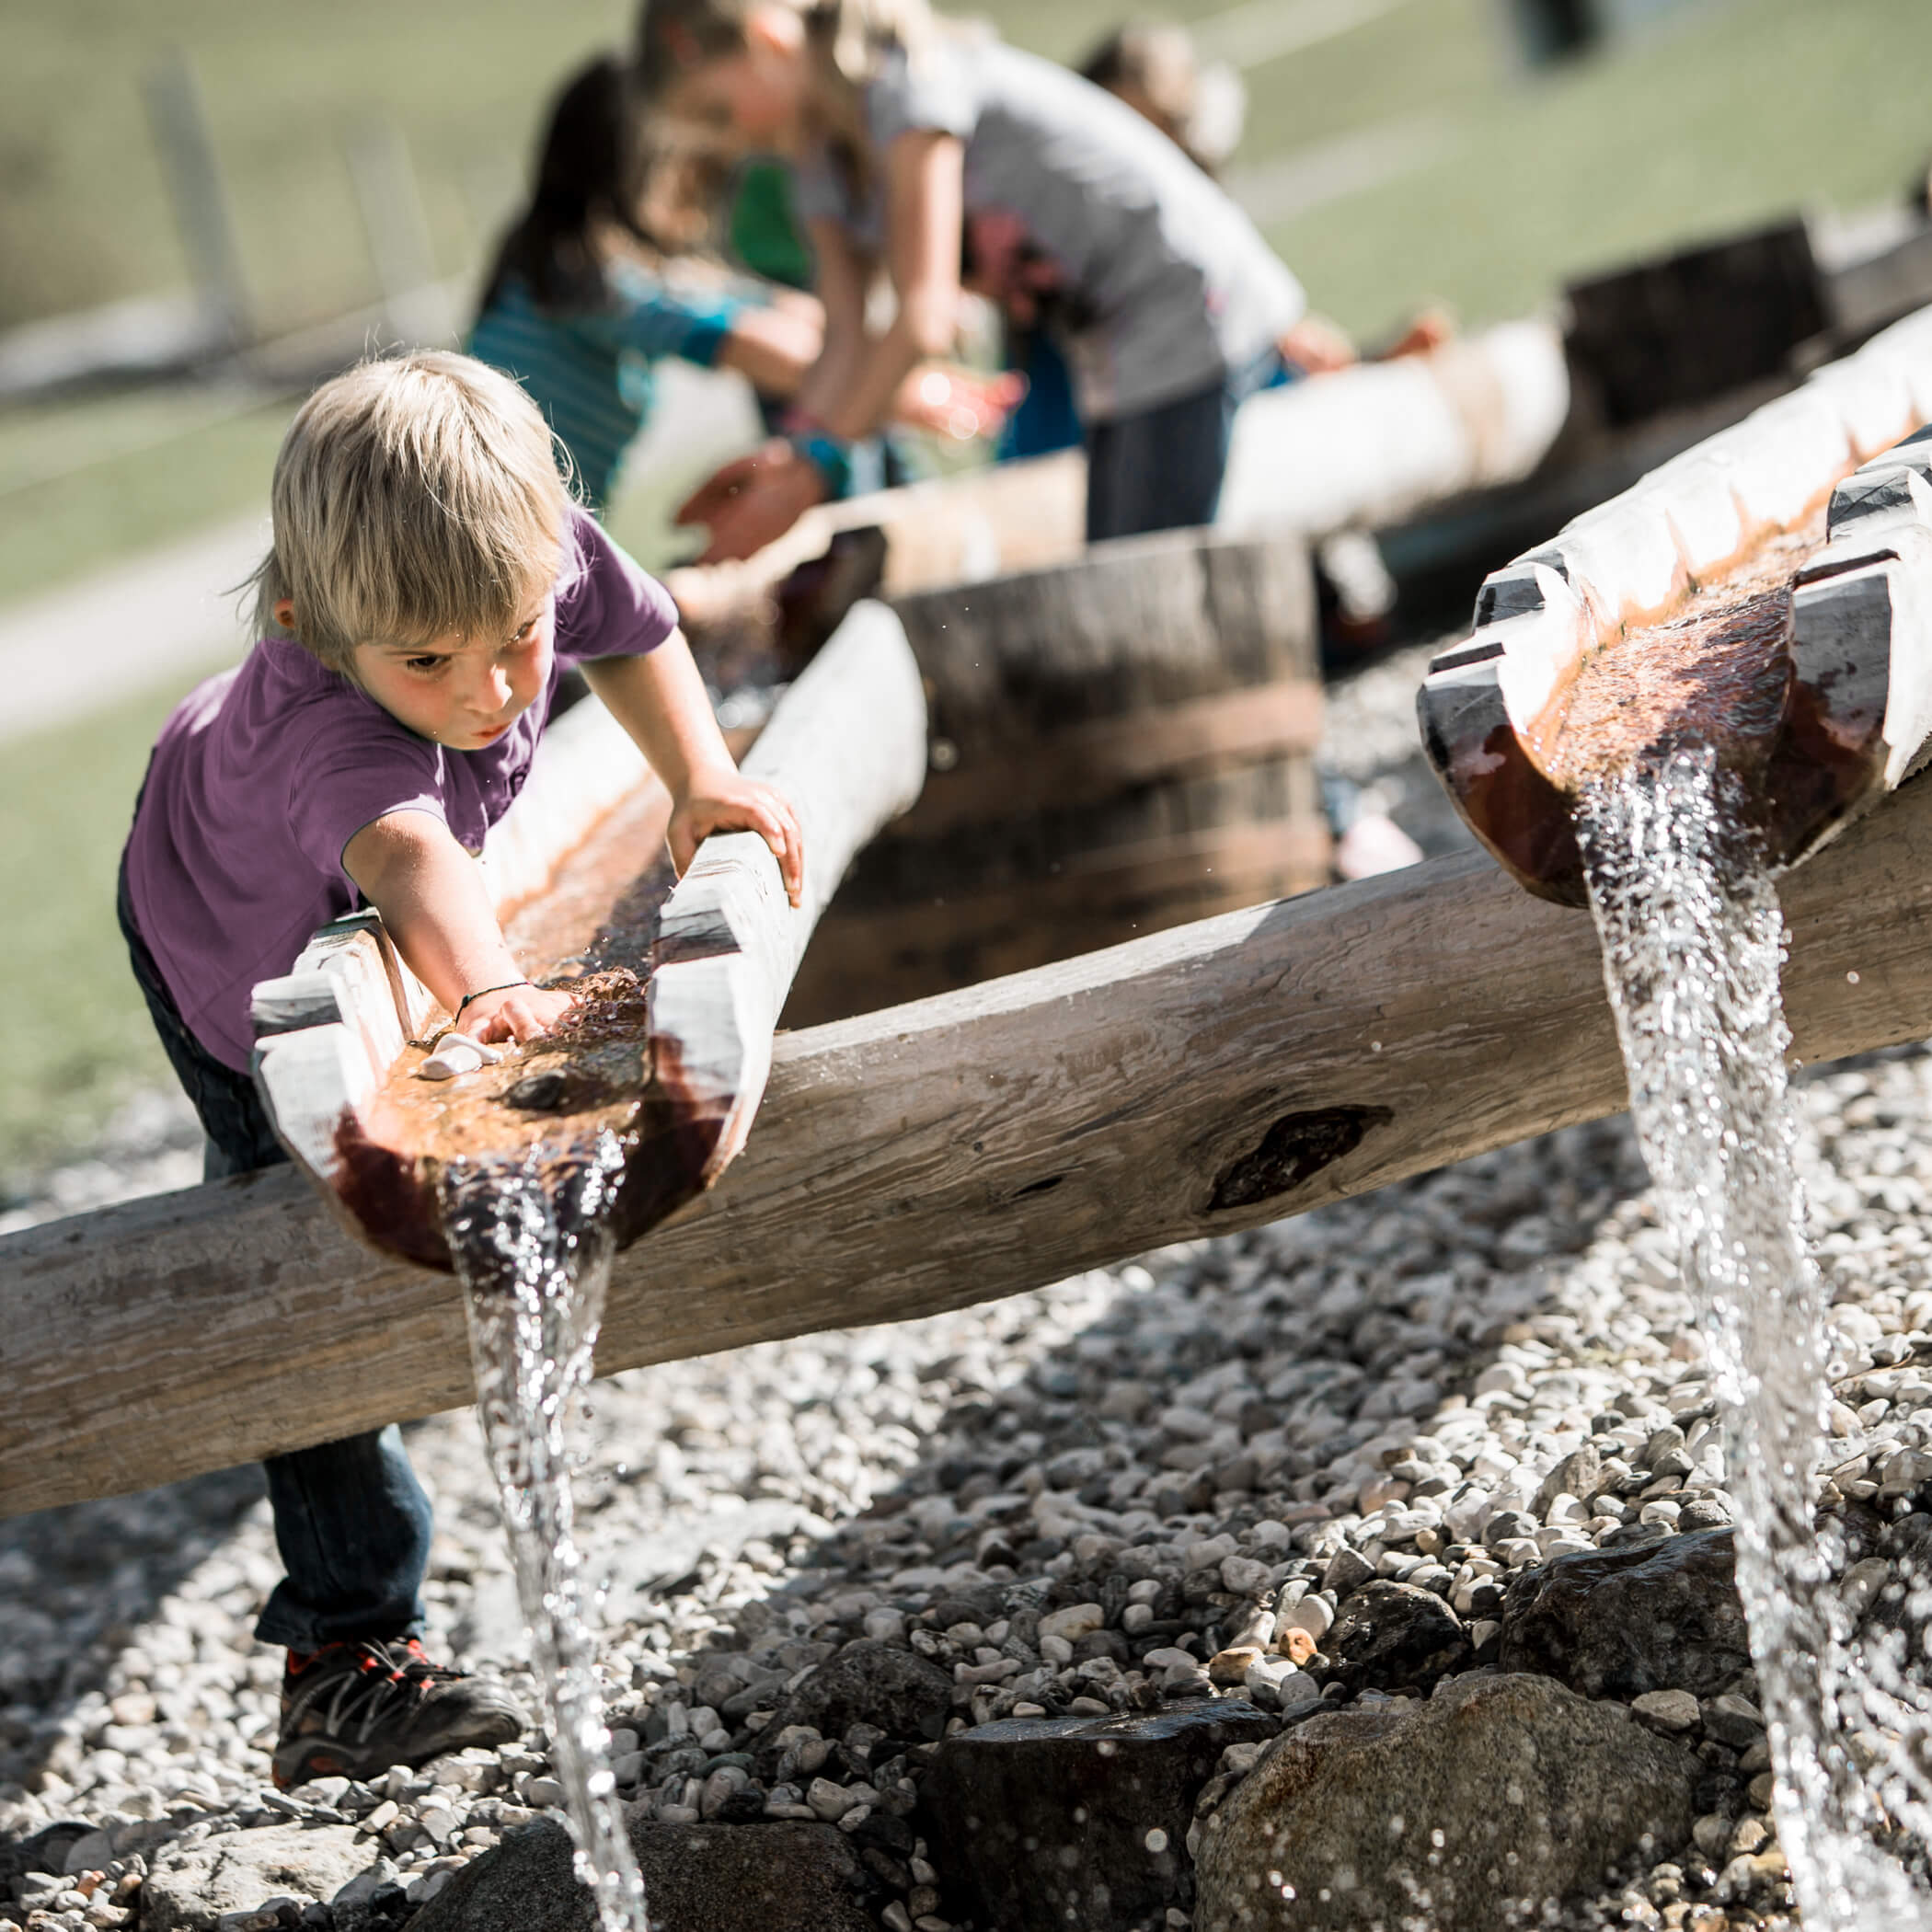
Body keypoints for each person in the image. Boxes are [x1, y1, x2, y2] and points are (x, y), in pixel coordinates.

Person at [117, 351, 803, 1788]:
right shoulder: (327, 733)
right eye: (428, 662)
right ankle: (344, 1652)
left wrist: (702, 781)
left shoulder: (517, 553)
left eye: (513, 637)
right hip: (223, 940)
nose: (493, 691)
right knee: (294, 1244)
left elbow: (634, 627)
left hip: (318, 884)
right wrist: (492, 988)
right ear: (313, 628)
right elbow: (409, 851)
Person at [638, 0, 1352, 561]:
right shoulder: (816, 160)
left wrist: (820, 464)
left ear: (769, 39)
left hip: (1178, 304)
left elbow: (923, 316)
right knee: (1115, 560)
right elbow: (844, 340)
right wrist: (790, 459)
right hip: (1103, 346)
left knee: (1140, 568)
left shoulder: (906, 82)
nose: (729, 143)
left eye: (718, 113)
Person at [471, 52, 1012, 514]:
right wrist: (908, 391)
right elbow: (751, 343)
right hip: (500, 536)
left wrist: (903, 353)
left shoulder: (560, 261)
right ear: (646, 167)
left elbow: (766, 308)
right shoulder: (583, 277)